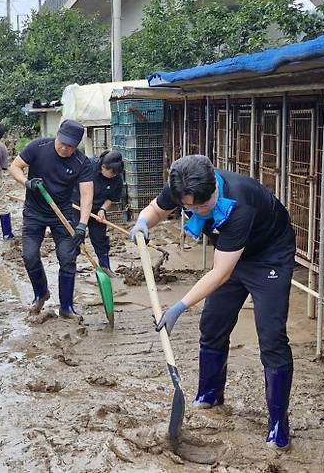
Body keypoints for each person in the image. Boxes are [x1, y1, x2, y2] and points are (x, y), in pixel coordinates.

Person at [129, 155, 296, 450]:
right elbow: (156, 209)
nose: (193, 211)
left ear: (214, 191)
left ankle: (278, 423)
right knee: (213, 323)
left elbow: (220, 273)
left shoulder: (240, 203)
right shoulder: (183, 184)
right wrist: (143, 222)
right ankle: (209, 394)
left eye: (200, 207)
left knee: (271, 336)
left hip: (269, 255)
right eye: (188, 207)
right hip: (229, 254)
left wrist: (180, 305)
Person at [9, 119, 94, 318]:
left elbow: (87, 195)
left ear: (77, 145)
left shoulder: (82, 162)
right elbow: (15, 167)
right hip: (34, 213)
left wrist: (82, 224)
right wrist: (27, 182)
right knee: (29, 255)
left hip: (62, 215)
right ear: (57, 136)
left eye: (70, 146)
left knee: (67, 258)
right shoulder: (38, 147)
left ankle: (66, 307)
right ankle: (41, 294)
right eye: (62, 142)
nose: (64, 148)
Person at [72, 149, 124, 275]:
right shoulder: (87, 166)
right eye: (112, 173)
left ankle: (105, 267)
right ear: (103, 167)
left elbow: (112, 198)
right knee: (75, 237)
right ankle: (70, 268)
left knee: (100, 239)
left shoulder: (117, 179)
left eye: (116, 173)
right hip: (77, 207)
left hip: (96, 211)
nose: (114, 175)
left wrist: (102, 209)